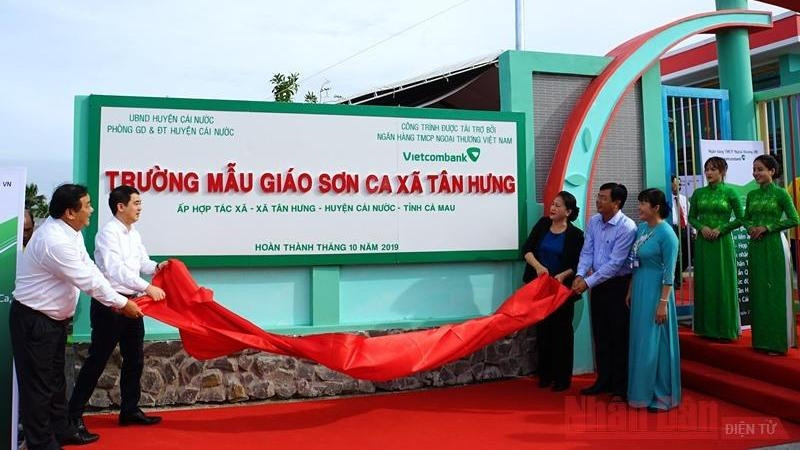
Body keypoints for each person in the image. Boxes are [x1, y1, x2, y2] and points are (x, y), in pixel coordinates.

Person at [10, 183, 143, 450]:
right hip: (35, 320)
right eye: (87, 205)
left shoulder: (72, 232)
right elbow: (89, 282)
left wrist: (122, 300)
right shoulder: (54, 241)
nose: (92, 210)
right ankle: (41, 443)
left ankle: (62, 430)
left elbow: (91, 269)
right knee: (39, 387)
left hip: (54, 321)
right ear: (71, 212)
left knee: (56, 381)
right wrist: (121, 303)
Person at [69, 185, 167, 435]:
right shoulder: (107, 234)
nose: (140, 208)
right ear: (120, 206)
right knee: (97, 360)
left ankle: (130, 410)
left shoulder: (133, 233)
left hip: (132, 305)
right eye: (136, 203)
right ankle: (73, 416)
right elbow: (116, 271)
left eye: (140, 203)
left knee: (135, 359)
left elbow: (140, 263)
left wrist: (158, 267)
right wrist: (147, 288)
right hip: (110, 305)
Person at [571, 183, 637, 402]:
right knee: (600, 334)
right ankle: (603, 380)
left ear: (616, 203)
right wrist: (580, 275)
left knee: (619, 335)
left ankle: (620, 387)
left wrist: (587, 282)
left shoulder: (627, 227)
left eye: (603, 198)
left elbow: (616, 263)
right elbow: (587, 251)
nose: (598, 201)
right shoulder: (594, 221)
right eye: (597, 197)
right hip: (596, 283)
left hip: (617, 285)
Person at [522, 191, 584, 392]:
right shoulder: (542, 225)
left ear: (568, 211)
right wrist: (539, 267)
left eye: (557, 206)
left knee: (562, 333)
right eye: (552, 204)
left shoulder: (575, 235)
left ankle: (562, 377)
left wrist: (564, 275)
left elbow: (578, 263)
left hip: (561, 291)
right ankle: (545, 374)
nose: (552, 208)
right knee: (544, 331)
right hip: (540, 288)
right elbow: (527, 249)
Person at [626, 188, 681, 412]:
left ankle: (660, 394)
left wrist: (663, 303)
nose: (639, 208)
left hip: (658, 292)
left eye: (643, 204)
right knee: (640, 340)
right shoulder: (641, 229)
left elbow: (670, 273)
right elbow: (634, 262)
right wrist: (630, 288)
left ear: (656, 208)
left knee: (655, 342)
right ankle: (640, 391)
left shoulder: (668, 234)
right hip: (640, 286)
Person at [744, 154, 800, 355]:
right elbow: (745, 219)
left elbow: (795, 219)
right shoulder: (752, 195)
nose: (756, 173)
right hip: (756, 246)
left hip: (775, 244)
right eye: (754, 169)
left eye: (760, 169)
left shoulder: (781, 194)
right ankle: (761, 340)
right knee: (759, 290)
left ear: (772, 171)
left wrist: (767, 227)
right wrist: (751, 227)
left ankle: (777, 342)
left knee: (775, 291)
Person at [688, 157, 743, 341]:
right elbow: (691, 217)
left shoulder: (730, 192)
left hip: (722, 242)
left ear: (723, 172)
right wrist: (702, 228)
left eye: (713, 169)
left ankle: (725, 329)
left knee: (723, 281)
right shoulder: (698, 193)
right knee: (705, 282)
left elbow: (741, 218)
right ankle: (706, 328)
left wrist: (721, 229)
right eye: (707, 169)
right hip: (704, 243)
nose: (709, 173)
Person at [670, 176, 691, 288]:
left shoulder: (683, 198)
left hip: (684, 228)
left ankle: (678, 273)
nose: (679, 185)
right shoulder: (667, 199)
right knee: (676, 254)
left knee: (688, 252)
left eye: (680, 183)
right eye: (676, 183)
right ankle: (675, 278)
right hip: (672, 228)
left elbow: (689, 214)